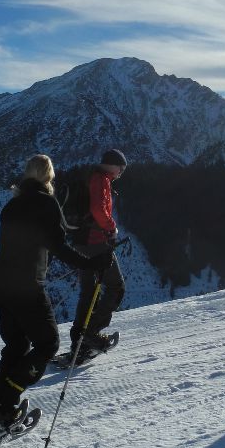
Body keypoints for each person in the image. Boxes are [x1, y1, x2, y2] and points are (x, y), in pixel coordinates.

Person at [0, 154, 112, 431]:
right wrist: (91, 264)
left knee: (16, 346)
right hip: (27, 284)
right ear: (49, 177)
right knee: (47, 344)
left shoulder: (13, 204)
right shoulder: (47, 203)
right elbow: (58, 246)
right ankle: (5, 400)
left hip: (1, 281)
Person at [70, 148, 128, 355]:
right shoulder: (101, 179)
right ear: (111, 164)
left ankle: (79, 340)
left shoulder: (89, 176)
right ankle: (91, 334)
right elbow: (98, 209)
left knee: (88, 291)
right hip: (95, 241)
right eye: (120, 168)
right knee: (116, 286)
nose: (120, 173)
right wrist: (111, 228)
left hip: (80, 241)